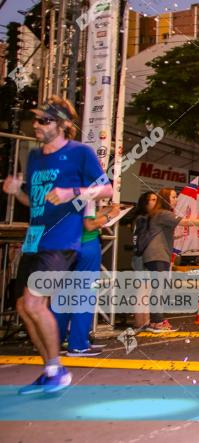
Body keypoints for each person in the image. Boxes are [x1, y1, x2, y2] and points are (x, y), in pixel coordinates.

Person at [3, 97, 113, 394]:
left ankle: (58, 370)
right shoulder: (35, 157)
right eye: (36, 119)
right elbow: (34, 200)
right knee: (23, 308)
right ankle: (51, 369)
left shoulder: (80, 153)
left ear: (64, 125)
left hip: (62, 241)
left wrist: (71, 193)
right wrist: (16, 193)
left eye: (44, 121)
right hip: (34, 239)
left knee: (34, 302)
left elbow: (107, 187)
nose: (36, 125)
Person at [143, 187, 199, 333]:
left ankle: (156, 321)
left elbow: (158, 234)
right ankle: (157, 322)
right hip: (158, 255)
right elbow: (186, 222)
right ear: (166, 199)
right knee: (159, 289)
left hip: (156, 255)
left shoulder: (158, 214)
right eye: (173, 197)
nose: (176, 199)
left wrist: (173, 237)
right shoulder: (164, 213)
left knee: (158, 288)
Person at [54, 200, 120, 356]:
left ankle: (54, 340)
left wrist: (103, 212)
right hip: (87, 243)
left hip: (67, 245)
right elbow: (89, 225)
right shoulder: (87, 193)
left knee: (64, 295)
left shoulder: (69, 191)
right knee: (85, 295)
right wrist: (110, 216)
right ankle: (78, 344)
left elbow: (84, 218)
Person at [129, 191, 157, 330]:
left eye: (156, 199)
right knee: (142, 289)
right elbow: (137, 239)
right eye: (152, 199)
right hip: (141, 257)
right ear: (145, 202)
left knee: (147, 289)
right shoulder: (141, 219)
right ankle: (140, 322)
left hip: (145, 256)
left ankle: (145, 321)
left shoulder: (149, 218)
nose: (155, 202)